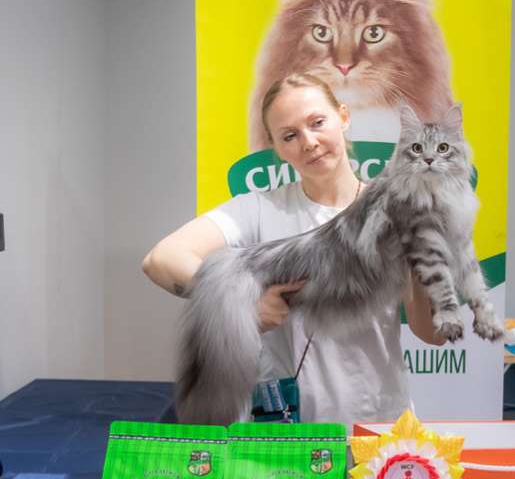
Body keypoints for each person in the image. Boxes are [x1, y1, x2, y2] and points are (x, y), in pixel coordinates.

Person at [142, 72, 445, 429]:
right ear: (276, 147)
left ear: (343, 117)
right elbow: (162, 259)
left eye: (317, 123)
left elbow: (434, 334)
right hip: (287, 439)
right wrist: (243, 303)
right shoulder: (258, 209)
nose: (309, 142)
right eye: (289, 136)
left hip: (379, 429)